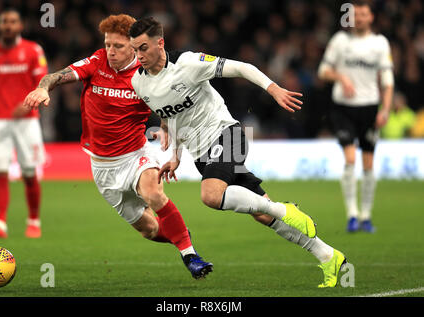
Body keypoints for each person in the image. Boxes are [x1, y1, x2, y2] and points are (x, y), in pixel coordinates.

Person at [129, 17, 347, 288]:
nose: (138, 56)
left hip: (226, 134)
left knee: (211, 195)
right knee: (262, 214)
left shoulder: (187, 63)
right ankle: (327, 255)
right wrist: (175, 155)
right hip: (201, 154)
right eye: (135, 50)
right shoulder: (140, 84)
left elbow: (242, 67)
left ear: (160, 43)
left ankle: (284, 209)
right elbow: (171, 115)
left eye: (143, 48)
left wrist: (273, 88)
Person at [23, 14, 212, 279]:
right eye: (108, 44)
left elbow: (169, 105)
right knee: (150, 230)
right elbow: (55, 76)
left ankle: (190, 255)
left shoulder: (147, 75)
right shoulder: (97, 61)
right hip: (102, 167)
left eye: (118, 46)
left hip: (136, 154)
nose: (110, 51)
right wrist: (44, 88)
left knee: (153, 194)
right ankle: (179, 235)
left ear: (134, 47)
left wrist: (168, 127)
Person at [318, 0, 394, 233]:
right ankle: (352, 214)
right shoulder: (340, 41)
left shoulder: (380, 44)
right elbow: (323, 71)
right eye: (355, 14)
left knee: (369, 165)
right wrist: (341, 77)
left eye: (363, 14)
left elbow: (387, 81)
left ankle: (366, 216)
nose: (359, 18)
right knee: (351, 159)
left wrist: (385, 109)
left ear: (371, 18)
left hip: (370, 108)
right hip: (343, 108)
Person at [0, 8, 47, 239]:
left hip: (27, 122)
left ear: (20, 25)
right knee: (0, 172)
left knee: (28, 173)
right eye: (4, 22)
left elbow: (43, 82)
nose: (8, 25)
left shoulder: (33, 50)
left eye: (13, 21)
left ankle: (33, 221)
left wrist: (27, 105)